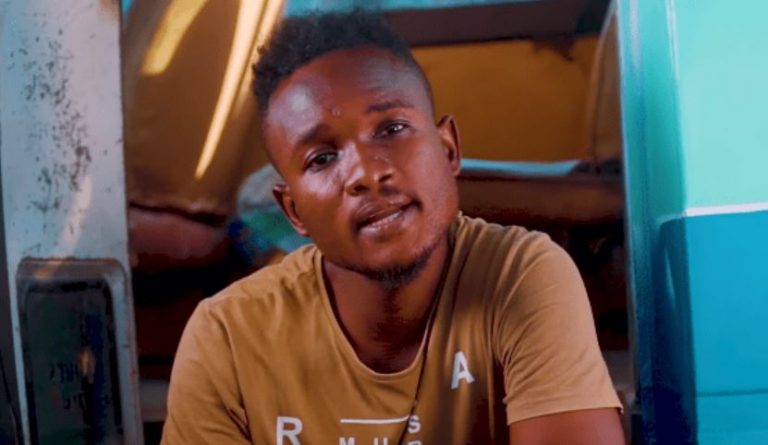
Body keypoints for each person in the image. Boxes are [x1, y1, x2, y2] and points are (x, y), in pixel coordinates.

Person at [162, 11, 624, 445]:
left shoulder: (520, 276)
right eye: (322, 158)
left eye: (392, 129)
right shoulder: (227, 335)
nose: (366, 173)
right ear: (294, 211)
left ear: (448, 150)